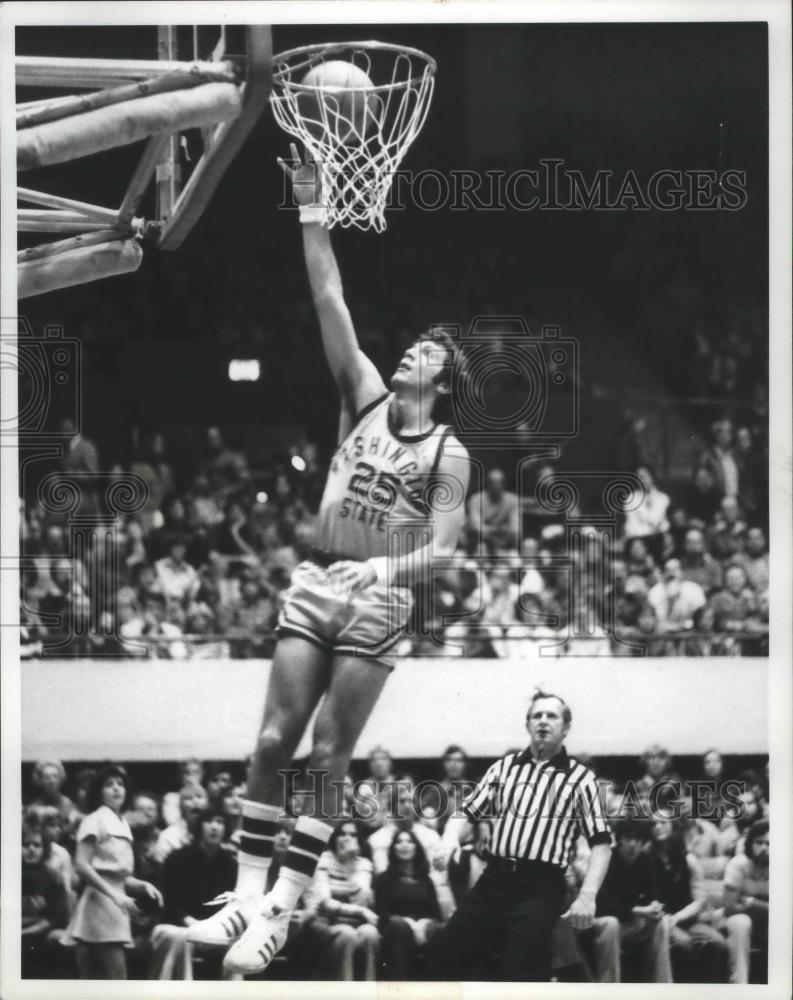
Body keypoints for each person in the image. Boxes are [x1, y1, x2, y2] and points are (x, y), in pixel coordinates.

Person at [187, 144, 471, 976]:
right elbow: (328, 293)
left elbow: (444, 552)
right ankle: (243, 895)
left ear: (444, 383)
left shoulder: (449, 452)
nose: (413, 350)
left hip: (379, 597)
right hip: (316, 577)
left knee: (324, 755)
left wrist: (381, 573)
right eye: (414, 344)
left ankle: (281, 906)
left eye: (428, 353)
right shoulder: (365, 394)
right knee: (274, 739)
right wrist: (313, 206)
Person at [426, 691, 613, 981]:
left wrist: (587, 897)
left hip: (540, 885)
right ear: (527, 725)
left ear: (565, 728)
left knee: (519, 969)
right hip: (494, 879)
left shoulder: (581, 779)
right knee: (444, 956)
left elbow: (601, 845)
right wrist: (448, 841)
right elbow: (465, 813)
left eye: (552, 716)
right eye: (537, 715)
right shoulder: (504, 767)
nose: (543, 721)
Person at [65, 763, 163, 979]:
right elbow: (82, 865)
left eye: (120, 784)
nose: (116, 788)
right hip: (99, 905)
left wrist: (142, 884)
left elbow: (119, 875)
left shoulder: (122, 823)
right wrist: (114, 895)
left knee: (104, 979)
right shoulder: (94, 820)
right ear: (98, 791)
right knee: (115, 978)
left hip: (116, 905)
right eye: (109, 785)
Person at [149, 808, 237, 980]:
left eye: (220, 823)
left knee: (239, 947)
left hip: (216, 931)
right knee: (178, 937)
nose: (214, 827)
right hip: (179, 926)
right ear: (199, 827)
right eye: (209, 821)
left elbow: (233, 904)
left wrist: (215, 927)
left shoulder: (231, 864)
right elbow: (169, 900)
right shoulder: (177, 858)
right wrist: (190, 922)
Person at [646, 810, 727, 982]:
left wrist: (677, 917)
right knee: (683, 945)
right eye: (653, 824)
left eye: (663, 823)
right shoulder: (646, 857)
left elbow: (699, 900)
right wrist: (664, 918)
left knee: (717, 942)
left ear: (673, 826)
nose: (658, 827)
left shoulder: (688, 859)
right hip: (660, 920)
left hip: (686, 919)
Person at [593, 818, 672, 982]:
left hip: (632, 923)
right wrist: (636, 910)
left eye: (638, 840)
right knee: (611, 924)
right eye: (628, 839)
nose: (633, 844)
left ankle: (662, 986)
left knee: (661, 923)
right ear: (619, 840)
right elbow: (602, 905)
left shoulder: (645, 860)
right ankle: (608, 988)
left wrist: (654, 907)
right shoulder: (606, 860)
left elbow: (653, 895)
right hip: (603, 922)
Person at [303, 820, 380, 980]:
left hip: (355, 922)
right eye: (342, 834)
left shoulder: (363, 864)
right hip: (326, 922)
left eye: (352, 835)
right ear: (334, 837)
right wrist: (360, 911)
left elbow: (362, 897)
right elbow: (325, 902)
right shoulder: (323, 860)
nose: (347, 838)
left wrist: (349, 865)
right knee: (347, 935)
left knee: (370, 933)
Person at [374, 830, 444, 979]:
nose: (404, 845)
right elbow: (381, 914)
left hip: (424, 928)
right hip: (394, 928)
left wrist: (425, 923)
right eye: (399, 842)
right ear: (393, 849)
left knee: (440, 929)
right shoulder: (384, 879)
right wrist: (409, 924)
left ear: (416, 847)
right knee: (399, 925)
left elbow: (436, 913)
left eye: (409, 841)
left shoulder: (426, 880)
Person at [722, 819, 769, 984]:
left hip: (769, 921)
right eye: (759, 843)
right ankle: (739, 985)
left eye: (769, 844)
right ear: (750, 843)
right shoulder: (738, 864)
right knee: (740, 922)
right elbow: (729, 908)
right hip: (741, 920)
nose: (764, 848)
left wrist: (751, 902)